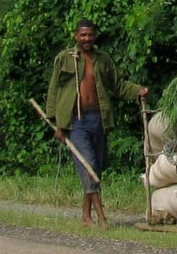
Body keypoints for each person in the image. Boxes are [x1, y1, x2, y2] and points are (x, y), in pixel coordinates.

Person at [45, 19, 148, 226]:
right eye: (82, 35)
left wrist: (138, 90)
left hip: (97, 119)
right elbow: (53, 90)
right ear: (76, 36)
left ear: (95, 36)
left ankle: (85, 216)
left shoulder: (103, 60)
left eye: (90, 35)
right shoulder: (65, 58)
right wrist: (56, 123)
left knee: (95, 168)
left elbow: (118, 86)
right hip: (75, 122)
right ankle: (101, 217)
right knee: (88, 166)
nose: (86, 39)